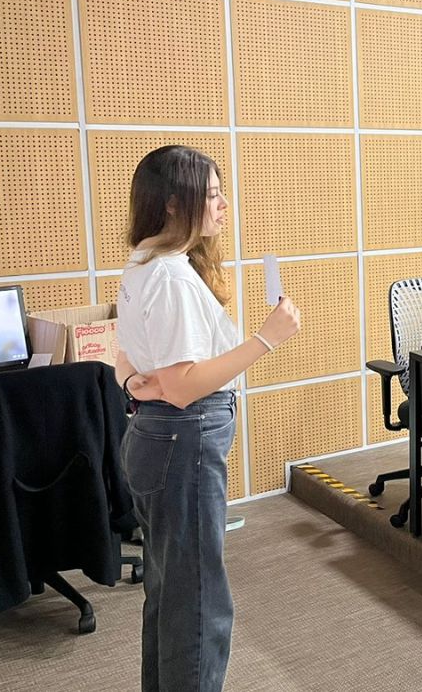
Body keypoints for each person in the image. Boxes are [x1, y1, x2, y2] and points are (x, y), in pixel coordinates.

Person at [116, 146, 301, 692]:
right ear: (176, 204)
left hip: (158, 436)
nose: (223, 204)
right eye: (213, 193)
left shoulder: (142, 261)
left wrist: (133, 383)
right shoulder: (171, 275)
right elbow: (182, 386)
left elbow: (129, 359)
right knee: (199, 602)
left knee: (173, 593)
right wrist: (267, 339)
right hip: (183, 437)